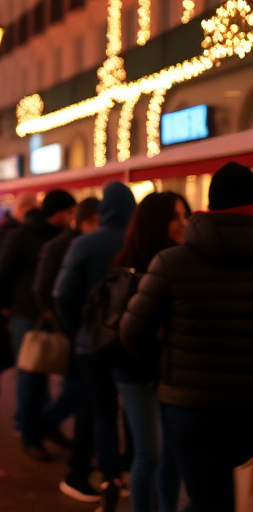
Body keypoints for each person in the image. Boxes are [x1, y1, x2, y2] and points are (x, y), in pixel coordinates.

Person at [121, 162, 253, 512]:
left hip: (190, 405)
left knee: (206, 497)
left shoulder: (170, 262)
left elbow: (133, 329)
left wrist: (160, 370)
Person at [54, 181, 136, 512]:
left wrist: (76, 330)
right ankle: (132, 468)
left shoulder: (85, 244)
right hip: (132, 340)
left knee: (101, 409)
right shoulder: (140, 242)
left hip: (92, 343)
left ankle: (109, 477)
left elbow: (62, 294)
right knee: (133, 408)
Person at [108, 192, 189, 512]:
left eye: (185, 215)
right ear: (157, 222)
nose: (184, 223)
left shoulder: (181, 260)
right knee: (150, 451)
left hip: (167, 370)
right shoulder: (131, 266)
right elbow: (130, 331)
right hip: (135, 370)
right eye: (175, 217)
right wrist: (152, 368)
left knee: (170, 451)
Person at [0, 189, 77, 459]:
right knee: (30, 376)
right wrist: (7, 306)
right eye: (71, 213)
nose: (73, 218)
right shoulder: (20, 236)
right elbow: (0, 275)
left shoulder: (64, 238)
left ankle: (46, 425)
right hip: (26, 315)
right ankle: (30, 435)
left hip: (56, 314)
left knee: (56, 375)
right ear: (61, 213)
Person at [33, 197, 103, 501]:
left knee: (77, 389)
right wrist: (64, 325)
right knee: (78, 391)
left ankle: (44, 425)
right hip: (73, 332)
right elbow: (46, 289)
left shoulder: (81, 244)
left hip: (81, 334)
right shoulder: (67, 245)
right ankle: (40, 425)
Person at [0, 192, 38, 398]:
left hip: (25, 299)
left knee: (25, 353)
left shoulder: (34, 231)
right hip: (4, 299)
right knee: (10, 348)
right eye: (26, 208)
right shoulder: (5, 231)